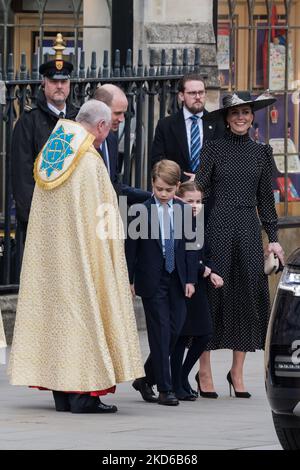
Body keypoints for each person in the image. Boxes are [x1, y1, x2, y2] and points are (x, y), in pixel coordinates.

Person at [8, 100, 144, 413]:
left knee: (59, 319)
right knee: (83, 318)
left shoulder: (53, 153)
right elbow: (102, 217)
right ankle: (83, 393)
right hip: (83, 258)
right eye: (110, 126)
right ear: (101, 126)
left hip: (51, 260)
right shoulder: (89, 161)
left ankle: (63, 393)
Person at [195, 91, 285, 397]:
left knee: (246, 295)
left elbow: (266, 203)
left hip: (248, 229)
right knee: (213, 297)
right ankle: (204, 371)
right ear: (226, 118)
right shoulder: (213, 149)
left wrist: (273, 240)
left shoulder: (261, 153)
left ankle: (237, 372)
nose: (241, 118)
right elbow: (200, 189)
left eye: (245, 112)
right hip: (217, 225)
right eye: (235, 113)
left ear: (252, 116)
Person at [125, 160, 197, 406]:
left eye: (169, 190)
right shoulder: (140, 211)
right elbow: (131, 249)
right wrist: (129, 279)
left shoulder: (184, 211)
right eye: (159, 189)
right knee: (160, 332)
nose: (164, 194)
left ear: (178, 186)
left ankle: (145, 378)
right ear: (152, 185)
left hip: (177, 278)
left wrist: (190, 279)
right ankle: (165, 389)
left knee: (176, 329)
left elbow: (191, 248)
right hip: (151, 279)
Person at [11, 33, 78, 233]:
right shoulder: (28, 120)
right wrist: (33, 217)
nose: (59, 86)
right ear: (44, 83)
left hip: (72, 213)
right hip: (41, 216)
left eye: (64, 82)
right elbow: (22, 174)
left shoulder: (77, 118)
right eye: (53, 81)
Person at [170, 182, 223, 401]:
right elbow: (183, 255)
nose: (194, 205)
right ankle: (176, 382)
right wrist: (206, 270)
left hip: (198, 283)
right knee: (181, 338)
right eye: (189, 201)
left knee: (203, 334)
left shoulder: (199, 221)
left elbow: (205, 252)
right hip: (183, 282)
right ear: (179, 200)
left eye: (198, 201)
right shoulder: (178, 221)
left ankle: (181, 376)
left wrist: (209, 270)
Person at [151, 73, 225, 181]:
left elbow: (225, 160)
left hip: (210, 191)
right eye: (192, 93)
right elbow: (158, 162)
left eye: (201, 92)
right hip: (177, 190)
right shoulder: (165, 126)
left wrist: (201, 178)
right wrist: (185, 179)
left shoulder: (219, 123)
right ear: (181, 96)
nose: (198, 97)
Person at [93, 85, 151, 204]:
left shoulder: (110, 139)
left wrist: (152, 197)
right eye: (117, 113)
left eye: (123, 113)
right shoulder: (75, 138)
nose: (122, 119)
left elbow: (113, 185)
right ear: (100, 108)